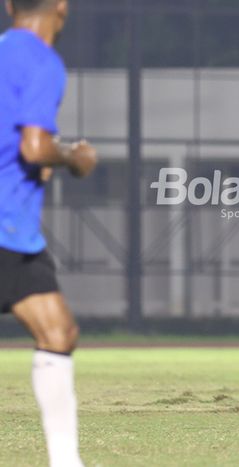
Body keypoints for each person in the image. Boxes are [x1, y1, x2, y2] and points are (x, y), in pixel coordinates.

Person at [0, 1, 97, 465]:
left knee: (58, 331)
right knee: (57, 333)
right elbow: (35, 145)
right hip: (5, 228)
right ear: (61, 5)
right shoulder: (41, 59)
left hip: (15, 233)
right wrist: (74, 158)